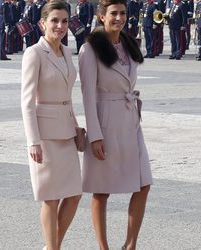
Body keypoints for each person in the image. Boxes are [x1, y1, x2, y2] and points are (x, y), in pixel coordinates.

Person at [79, 0, 153, 249]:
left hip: (131, 122)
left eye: (122, 13)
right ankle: (103, 247)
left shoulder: (130, 43)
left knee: (144, 184)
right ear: (101, 17)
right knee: (102, 191)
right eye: (113, 14)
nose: (119, 18)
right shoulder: (90, 49)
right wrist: (95, 136)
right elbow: (88, 96)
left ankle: (130, 245)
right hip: (106, 123)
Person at [21, 1, 82, 250]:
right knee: (50, 198)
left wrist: (77, 125)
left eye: (64, 21)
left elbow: (67, 94)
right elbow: (26, 101)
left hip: (66, 131)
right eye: (54, 20)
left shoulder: (67, 52)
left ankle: (51, 245)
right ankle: (53, 247)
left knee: (74, 194)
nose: (60, 26)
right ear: (42, 23)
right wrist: (32, 141)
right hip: (44, 136)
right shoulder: (34, 53)